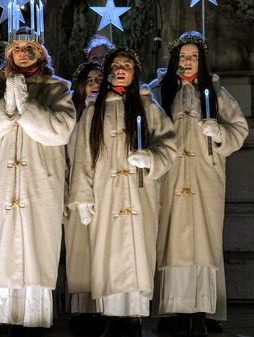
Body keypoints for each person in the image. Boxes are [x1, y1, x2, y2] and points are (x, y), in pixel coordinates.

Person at [0, 26, 76, 337]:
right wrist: (6, 106)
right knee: (1, 253)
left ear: (41, 53)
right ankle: (1, 319)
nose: (24, 53)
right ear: (8, 54)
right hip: (2, 187)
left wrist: (25, 106)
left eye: (31, 47)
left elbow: (59, 131)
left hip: (39, 186)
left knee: (36, 251)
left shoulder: (58, 89)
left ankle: (34, 322)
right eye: (17, 47)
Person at [68, 47, 177, 337]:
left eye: (126, 65)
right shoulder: (94, 109)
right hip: (106, 194)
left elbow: (168, 143)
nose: (120, 69)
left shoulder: (148, 106)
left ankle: (135, 317)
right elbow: (81, 156)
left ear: (134, 71)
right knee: (109, 253)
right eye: (115, 65)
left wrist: (151, 157)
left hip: (140, 194)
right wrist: (81, 196)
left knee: (138, 250)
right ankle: (113, 316)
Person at [148, 31, 248, 337]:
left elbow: (239, 130)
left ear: (201, 60)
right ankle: (176, 311)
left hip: (205, 179)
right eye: (182, 57)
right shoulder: (158, 90)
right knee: (172, 240)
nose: (187, 62)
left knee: (204, 243)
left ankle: (202, 312)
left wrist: (218, 133)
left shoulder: (215, 92)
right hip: (171, 178)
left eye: (193, 57)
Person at [65, 61, 104, 335]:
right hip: (74, 190)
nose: (95, 84)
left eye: (100, 79)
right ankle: (80, 308)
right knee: (78, 252)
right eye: (89, 80)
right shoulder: (71, 114)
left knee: (101, 251)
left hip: (103, 192)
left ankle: (102, 308)